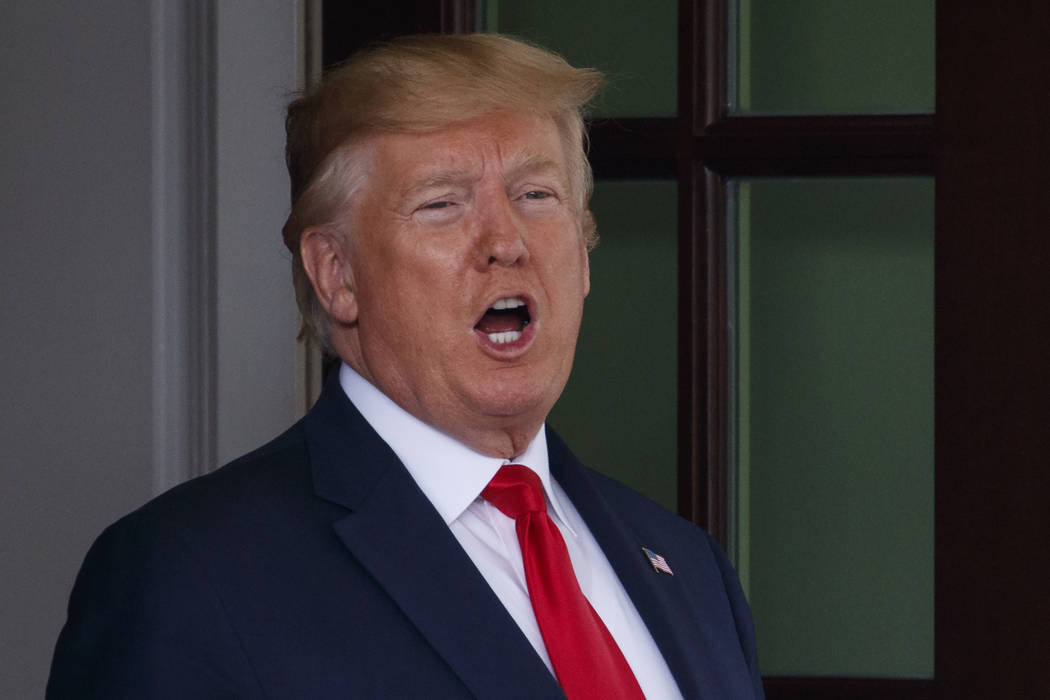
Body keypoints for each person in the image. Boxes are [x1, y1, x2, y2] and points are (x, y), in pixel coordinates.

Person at [47, 34, 763, 699]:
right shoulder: (186, 580)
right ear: (337, 276)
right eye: (443, 204)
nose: (505, 241)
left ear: (582, 253)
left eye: (536, 196)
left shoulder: (690, 570)